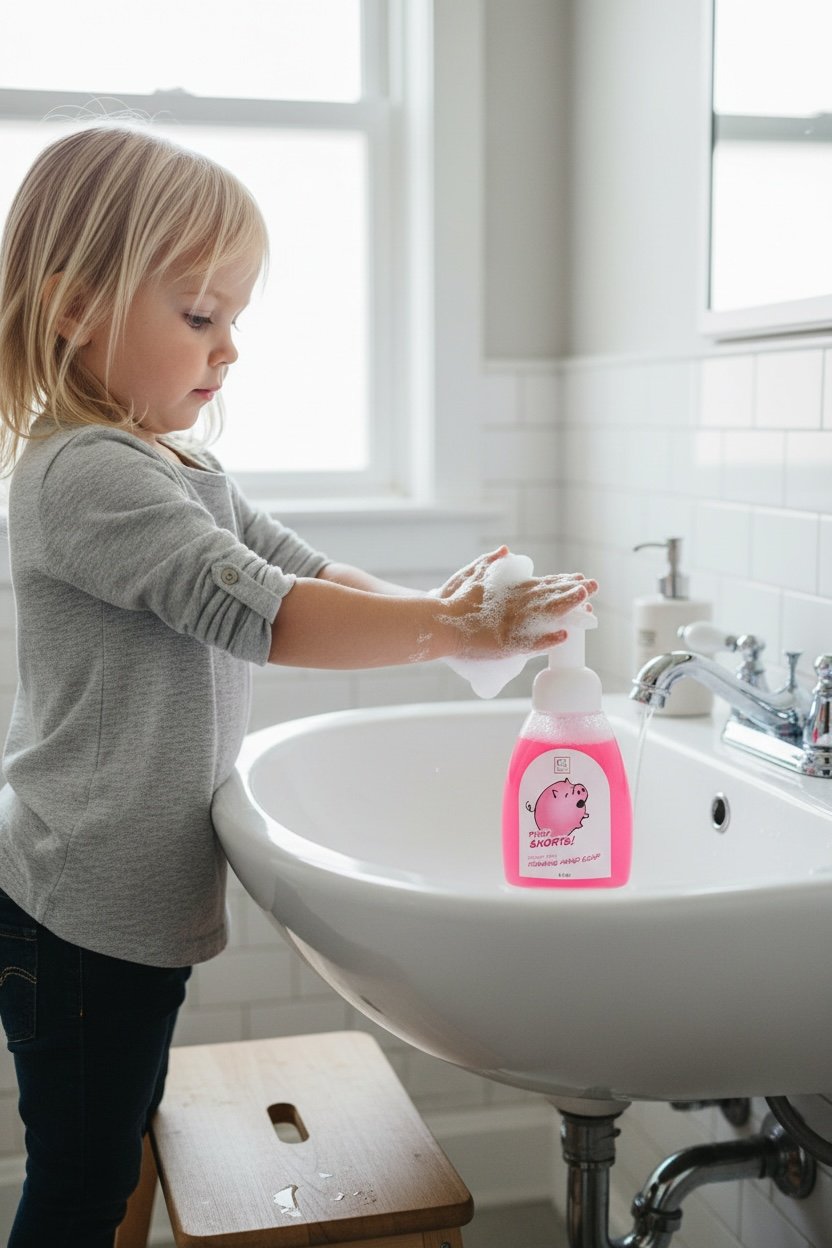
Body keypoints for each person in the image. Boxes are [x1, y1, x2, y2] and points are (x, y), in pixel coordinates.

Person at [0, 122, 597, 1247]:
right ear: (73, 307)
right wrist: (445, 628)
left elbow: (306, 574)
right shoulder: (84, 475)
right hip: (78, 912)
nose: (228, 349)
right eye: (198, 315)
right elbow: (261, 613)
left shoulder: (176, 466)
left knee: (116, 1146)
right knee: (81, 1179)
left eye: (233, 319)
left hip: (117, 905)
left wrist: (450, 620)